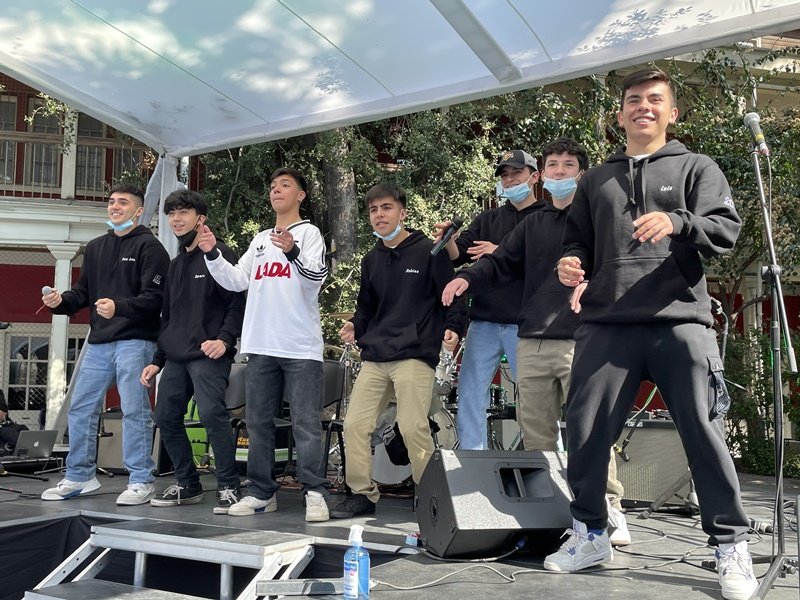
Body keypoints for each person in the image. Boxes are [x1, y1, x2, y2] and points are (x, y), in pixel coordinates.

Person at [548, 69, 756, 600]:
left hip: (680, 320)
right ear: (620, 114)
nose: (644, 106)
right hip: (606, 323)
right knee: (585, 433)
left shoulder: (696, 166)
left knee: (704, 432)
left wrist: (678, 222)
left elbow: (725, 230)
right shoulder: (595, 180)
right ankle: (590, 533)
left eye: (655, 99)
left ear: (672, 112)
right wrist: (570, 264)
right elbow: (576, 243)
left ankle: (730, 545)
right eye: (634, 99)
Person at [442, 138, 630, 546]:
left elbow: (618, 267)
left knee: (591, 429)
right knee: (537, 436)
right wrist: (466, 278)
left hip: (582, 337)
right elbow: (498, 262)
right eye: (553, 165)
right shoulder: (531, 224)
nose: (559, 171)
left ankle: (610, 506)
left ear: (582, 172)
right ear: (543, 175)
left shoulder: (597, 218)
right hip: (531, 338)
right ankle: (552, 515)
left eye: (568, 165)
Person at [197, 167, 331, 522]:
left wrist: (293, 251)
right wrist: (212, 254)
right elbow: (236, 280)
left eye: (285, 185)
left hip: (300, 346)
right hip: (260, 345)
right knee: (257, 422)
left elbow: (316, 277)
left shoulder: (309, 233)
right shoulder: (259, 239)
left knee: (305, 422)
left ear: (301, 195)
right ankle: (261, 492)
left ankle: (315, 491)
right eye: (272, 186)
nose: (276, 190)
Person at [330, 183, 465, 519]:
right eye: (373, 210)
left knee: (412, 426)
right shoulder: (371, 260)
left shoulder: (429, 251)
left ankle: (431, 497)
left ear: (402, 212)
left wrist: (454, 327)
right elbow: (365, 308)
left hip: (415, 353)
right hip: (377, 356)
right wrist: (355, 325)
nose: (379, 215)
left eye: (386, 208)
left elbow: (452, 296)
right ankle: (362, 494)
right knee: (354, 425)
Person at [41, 183, 169, 505]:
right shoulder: (96, 247)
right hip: (98, 342)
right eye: (112, 201)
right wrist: (60, 301)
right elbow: (83, 294)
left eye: (123, 202)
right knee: (81, 408)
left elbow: (155, 299)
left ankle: (141, 480)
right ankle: (80, 475)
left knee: (134, 410)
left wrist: (119, 307)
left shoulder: (151, 248)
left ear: (138, 211)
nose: (115, 206)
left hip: (135, 341)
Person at [140, 190, 245, 514]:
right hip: (176, 356)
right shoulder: (174, 266)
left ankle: (229, 486)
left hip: (209, 354)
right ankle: (188, 484)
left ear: (201, 219)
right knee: (164, 416)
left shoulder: (220, 253)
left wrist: (224, 340)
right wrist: (157, 361)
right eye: (172, 213)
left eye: (183, 212)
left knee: (212, 415)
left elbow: (238, 301)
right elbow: (168, 318)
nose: (176, 219)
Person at [434, 150, 543, 450]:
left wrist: (500, 252)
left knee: (535, 397)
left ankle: (545, 459)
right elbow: (458, 256)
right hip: (483, 321)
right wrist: (449, 239)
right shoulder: (488, 218)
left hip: (527, 324)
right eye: (505, 175)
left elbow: (547, 263)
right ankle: (472, 459)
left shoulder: (547, 216)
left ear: (534, 177)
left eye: (516, 173)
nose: (510, 180)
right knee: (470, 392)